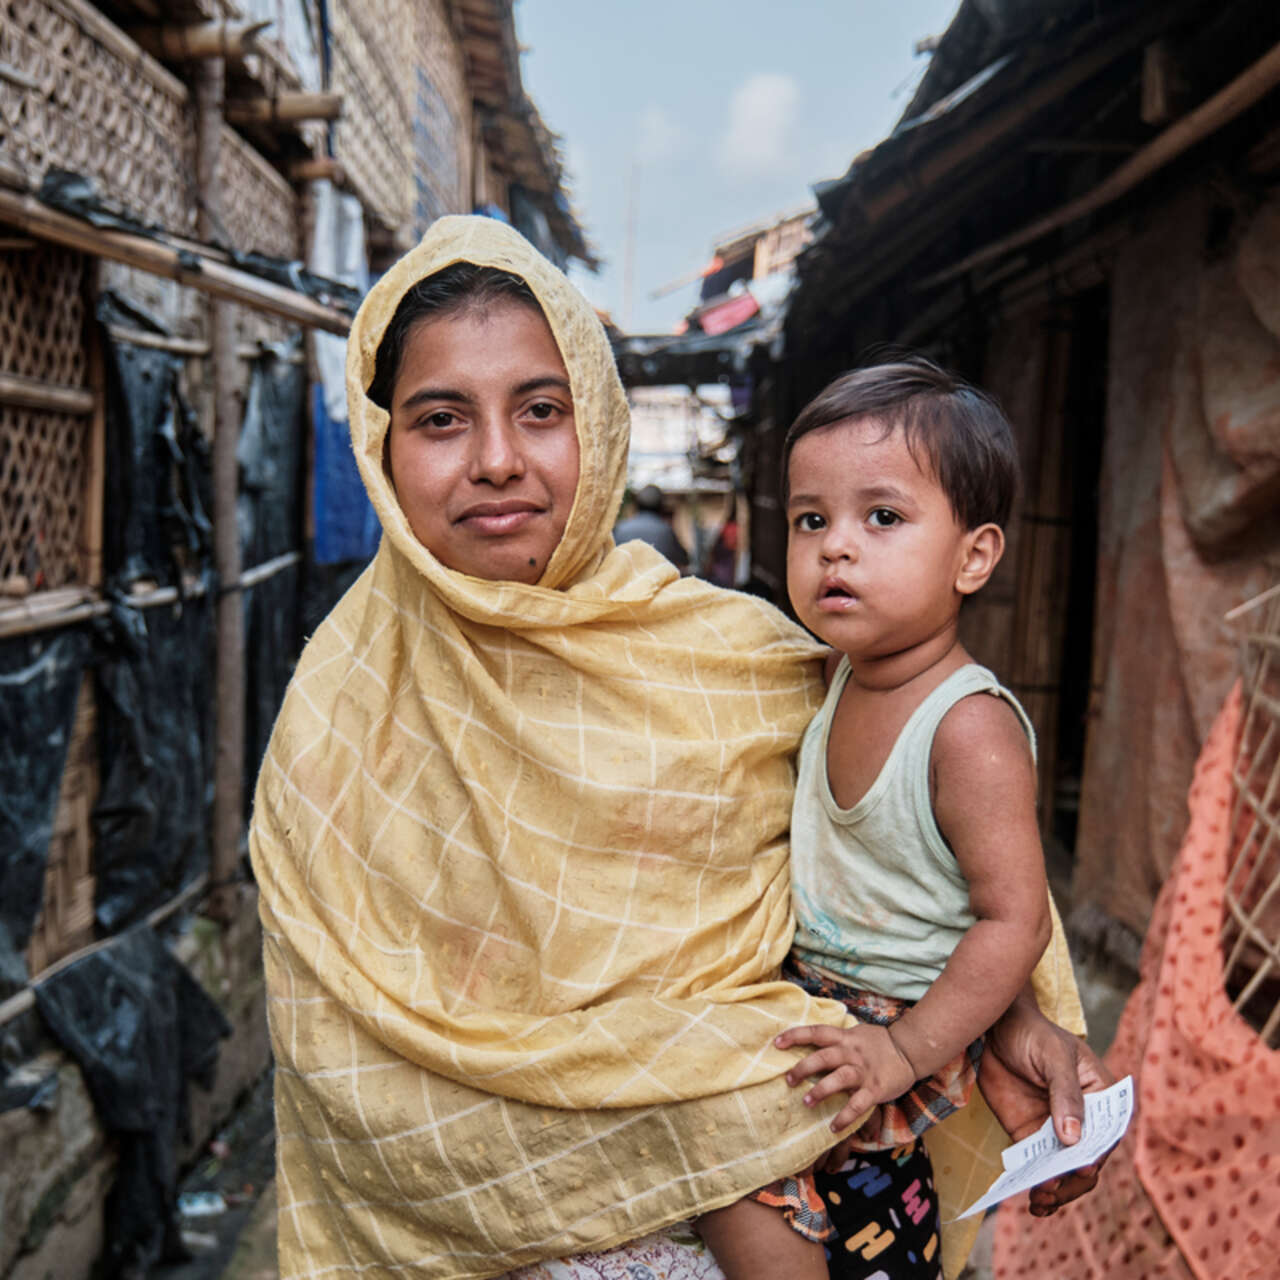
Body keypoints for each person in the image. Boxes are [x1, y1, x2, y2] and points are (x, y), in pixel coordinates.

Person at [249, 217, 1105, 1280]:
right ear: (380, 447)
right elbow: (338, 1054)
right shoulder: (340, 707)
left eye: (540, 409)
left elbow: (923, 875)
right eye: (439, 418)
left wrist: (1006, 1020)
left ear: (597, 424)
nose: (498, 459)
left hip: (788, 1191)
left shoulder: (744, 665)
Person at [697, 359, 1055, 1279]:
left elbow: (1015, 919)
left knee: (754, 1185)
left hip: (901, 1020)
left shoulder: (966, 729)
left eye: (882, 517)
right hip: (817, 998)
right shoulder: (837, 676)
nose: (835, 548)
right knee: (802, 1203)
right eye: (811, 519)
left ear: (974, 557)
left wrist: (902, 1049)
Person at [613, 482, 689, 570]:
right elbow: (684, 560)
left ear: (636, 505)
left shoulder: (620, 529)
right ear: (661, 507)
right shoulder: (666, 531)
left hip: (625, 582)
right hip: (657, 582)